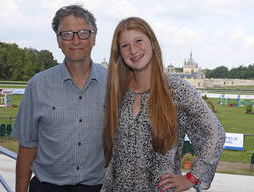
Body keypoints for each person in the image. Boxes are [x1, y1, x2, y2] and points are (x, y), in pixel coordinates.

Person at [101, 17, 225, 192]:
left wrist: (192, 177)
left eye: (138, 41)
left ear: (152, 43)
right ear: (119, 53)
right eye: (125, 45)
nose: (133, 50)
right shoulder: (118, 92)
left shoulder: (176, 90)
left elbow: (215, 134)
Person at [11, 5, 107, 192]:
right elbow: (27, 147)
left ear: (94, 38)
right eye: (68, 34)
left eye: (83, 33)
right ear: (58, 41)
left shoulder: (114, 84)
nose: (76, 40)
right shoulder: (37, 85)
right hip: (47, 187)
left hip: (98, 187)